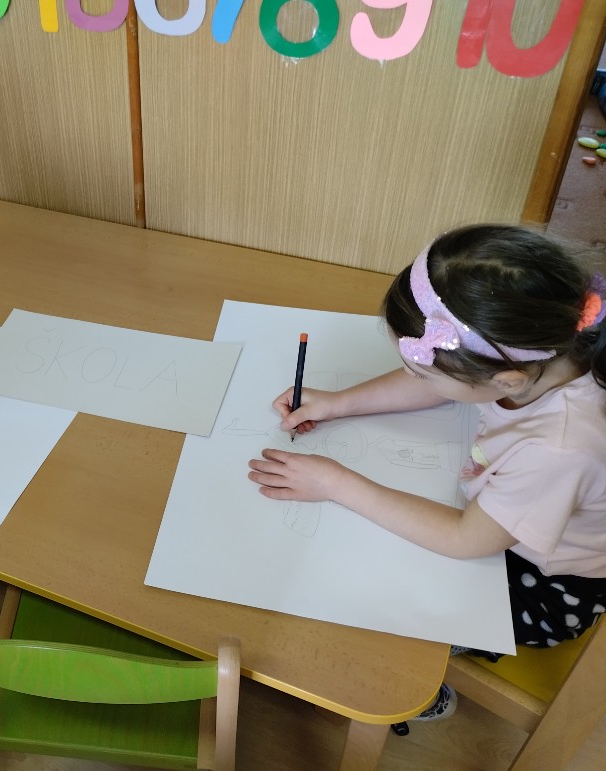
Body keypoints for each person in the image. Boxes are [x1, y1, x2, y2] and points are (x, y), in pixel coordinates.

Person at [247, 224, 606, 721]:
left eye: (421, 369)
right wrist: (339, 403)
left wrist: (335, 482)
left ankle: (416, 691)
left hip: (545, 586)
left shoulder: (559, 449)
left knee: (368, 609)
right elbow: (437, 381)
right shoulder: (539, 355)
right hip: (507, 518)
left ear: (506, 380)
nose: (414, 376)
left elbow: (465, 539)